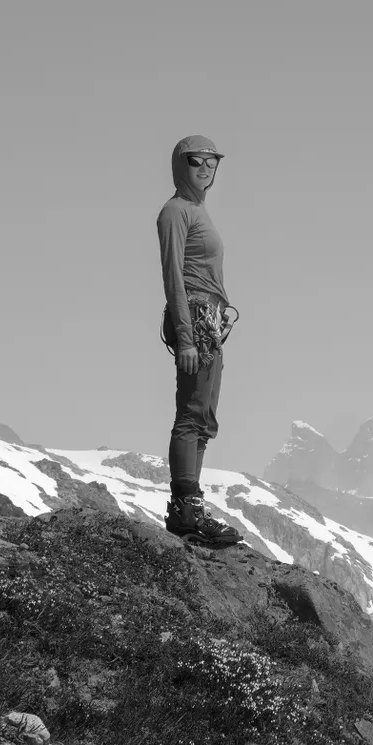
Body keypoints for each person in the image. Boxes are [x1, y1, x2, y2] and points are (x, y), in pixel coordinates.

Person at [157, 134, 241, 546]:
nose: (205, 168)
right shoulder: (175, 211)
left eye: (212, 162)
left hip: (208, 318)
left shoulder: (197, 211)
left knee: (204, 416)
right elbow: (173, 275)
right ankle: (185, 509)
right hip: (194, 316)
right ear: (180, 165)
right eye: (196, 161)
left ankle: (190, 508)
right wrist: (187, 337)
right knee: (191, 413)